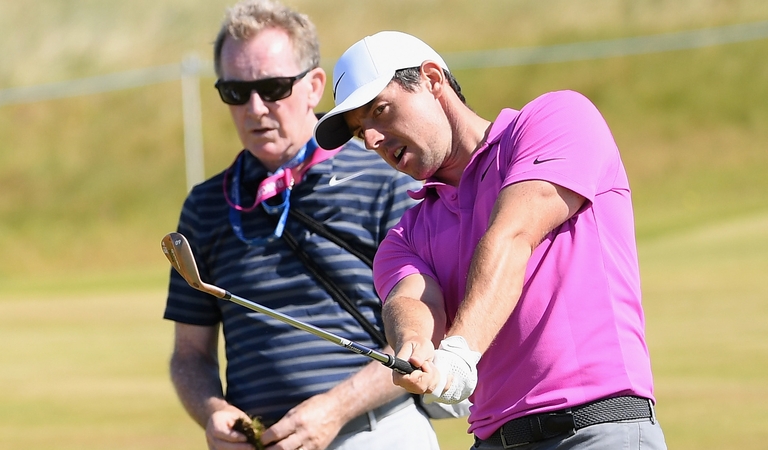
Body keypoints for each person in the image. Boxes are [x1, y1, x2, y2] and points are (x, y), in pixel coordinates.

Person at [313, 31, 668, 450]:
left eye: (380, 110)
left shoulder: (557, 119)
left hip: (598, 428)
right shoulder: (404, 237)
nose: (371, 139)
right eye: (360, 131)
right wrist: (416, 346)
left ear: (431, 79)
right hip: (492, 440)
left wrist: (458, 354)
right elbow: (412, 301)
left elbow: (513, 235)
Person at [163, 5, 440, 449]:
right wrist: (212, 412)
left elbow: (427, 335)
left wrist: (335, 409)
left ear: (313, 87)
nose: (255, 109)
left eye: (272, 88)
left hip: (375, 432)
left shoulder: (385, 182)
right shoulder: (204, 206)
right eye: (235, 91)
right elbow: (189, 355)